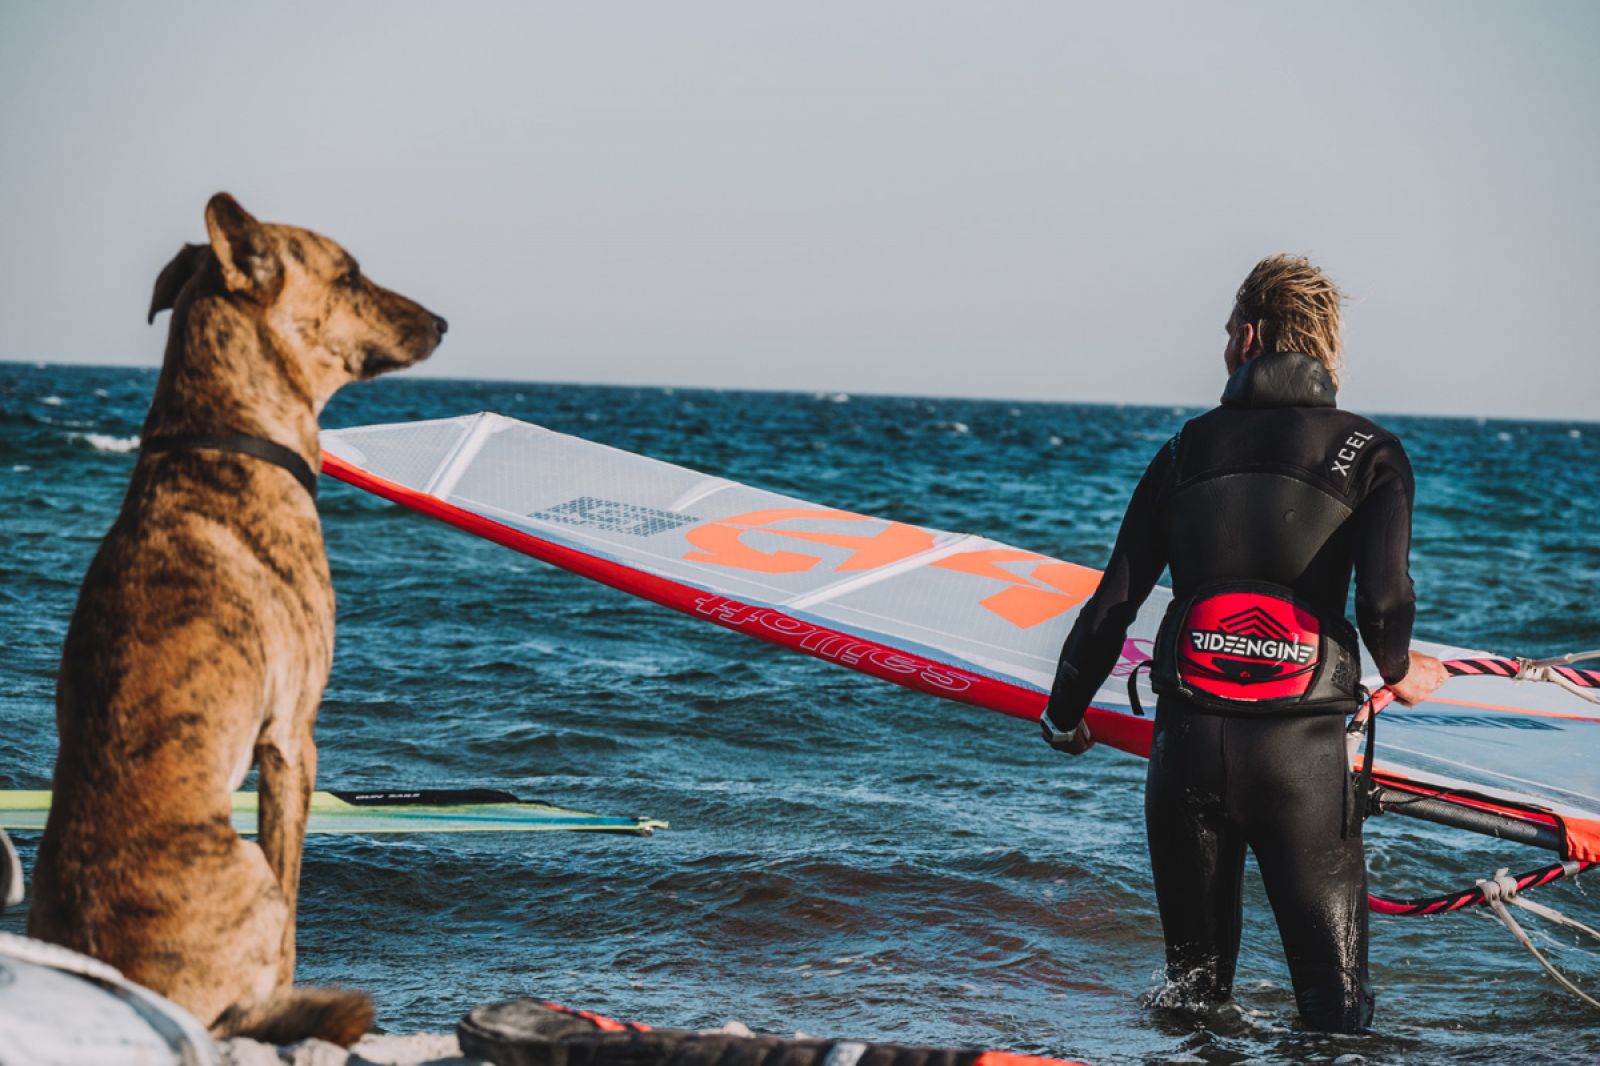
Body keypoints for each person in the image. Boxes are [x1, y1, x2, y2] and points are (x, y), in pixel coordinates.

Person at [1037, 255, 1448, 1032]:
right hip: (1301, 763)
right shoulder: (1369, 453)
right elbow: (1385, 601)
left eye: (1228, 331)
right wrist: (1400, 667)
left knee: (1191, 1005)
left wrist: (1065, 715)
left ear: (1251, 337)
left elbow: (1113, 605)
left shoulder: (1184, 450)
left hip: (1186, 751)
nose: (1225, 345)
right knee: (1335, 1018)